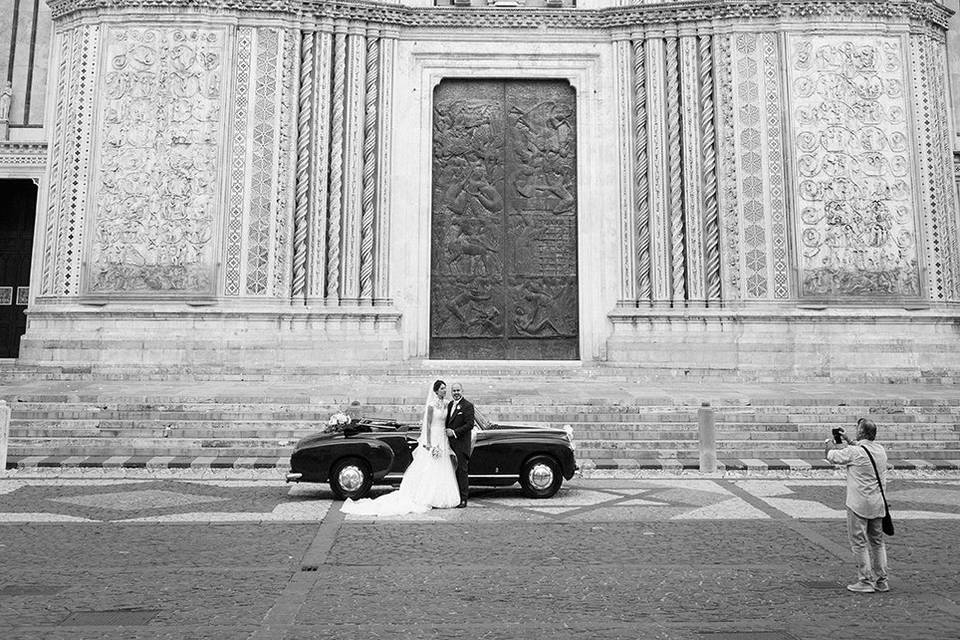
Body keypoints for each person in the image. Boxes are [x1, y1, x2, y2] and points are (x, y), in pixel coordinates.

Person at [341, 380, 461, 516]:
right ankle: (427, 496)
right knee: (430, 465)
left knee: (442, 465)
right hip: (433, 436)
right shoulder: (432, 406)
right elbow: (427, 425)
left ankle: (442, 496)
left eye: (445, 388)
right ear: (436, 391)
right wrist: (428, 443)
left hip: (443, 437)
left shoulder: (447, 404)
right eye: (442, 388)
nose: (445, 391)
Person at [824, 417, 890, 593]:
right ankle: (882, 580)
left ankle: (865, 581)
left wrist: (829, 443)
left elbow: (832, 457)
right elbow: (862, 450)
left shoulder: (854, 452)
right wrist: (848, 440)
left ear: (861, 432)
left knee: (859, 543)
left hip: (858, 504)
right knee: (877, 542)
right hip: (878, 503)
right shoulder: (880, 450)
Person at [445, 382, 475, 508]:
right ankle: (454, 496)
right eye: (454, 391)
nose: (456, 393)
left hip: (461, 444)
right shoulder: (450, 404)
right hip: (450, 444)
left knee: (462, 471)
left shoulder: (467, 406)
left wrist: (454, 432)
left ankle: (463, 499)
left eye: (458, 390)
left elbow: (470, 424)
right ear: (451, 392)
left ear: (462, 391)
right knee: (452, 471)